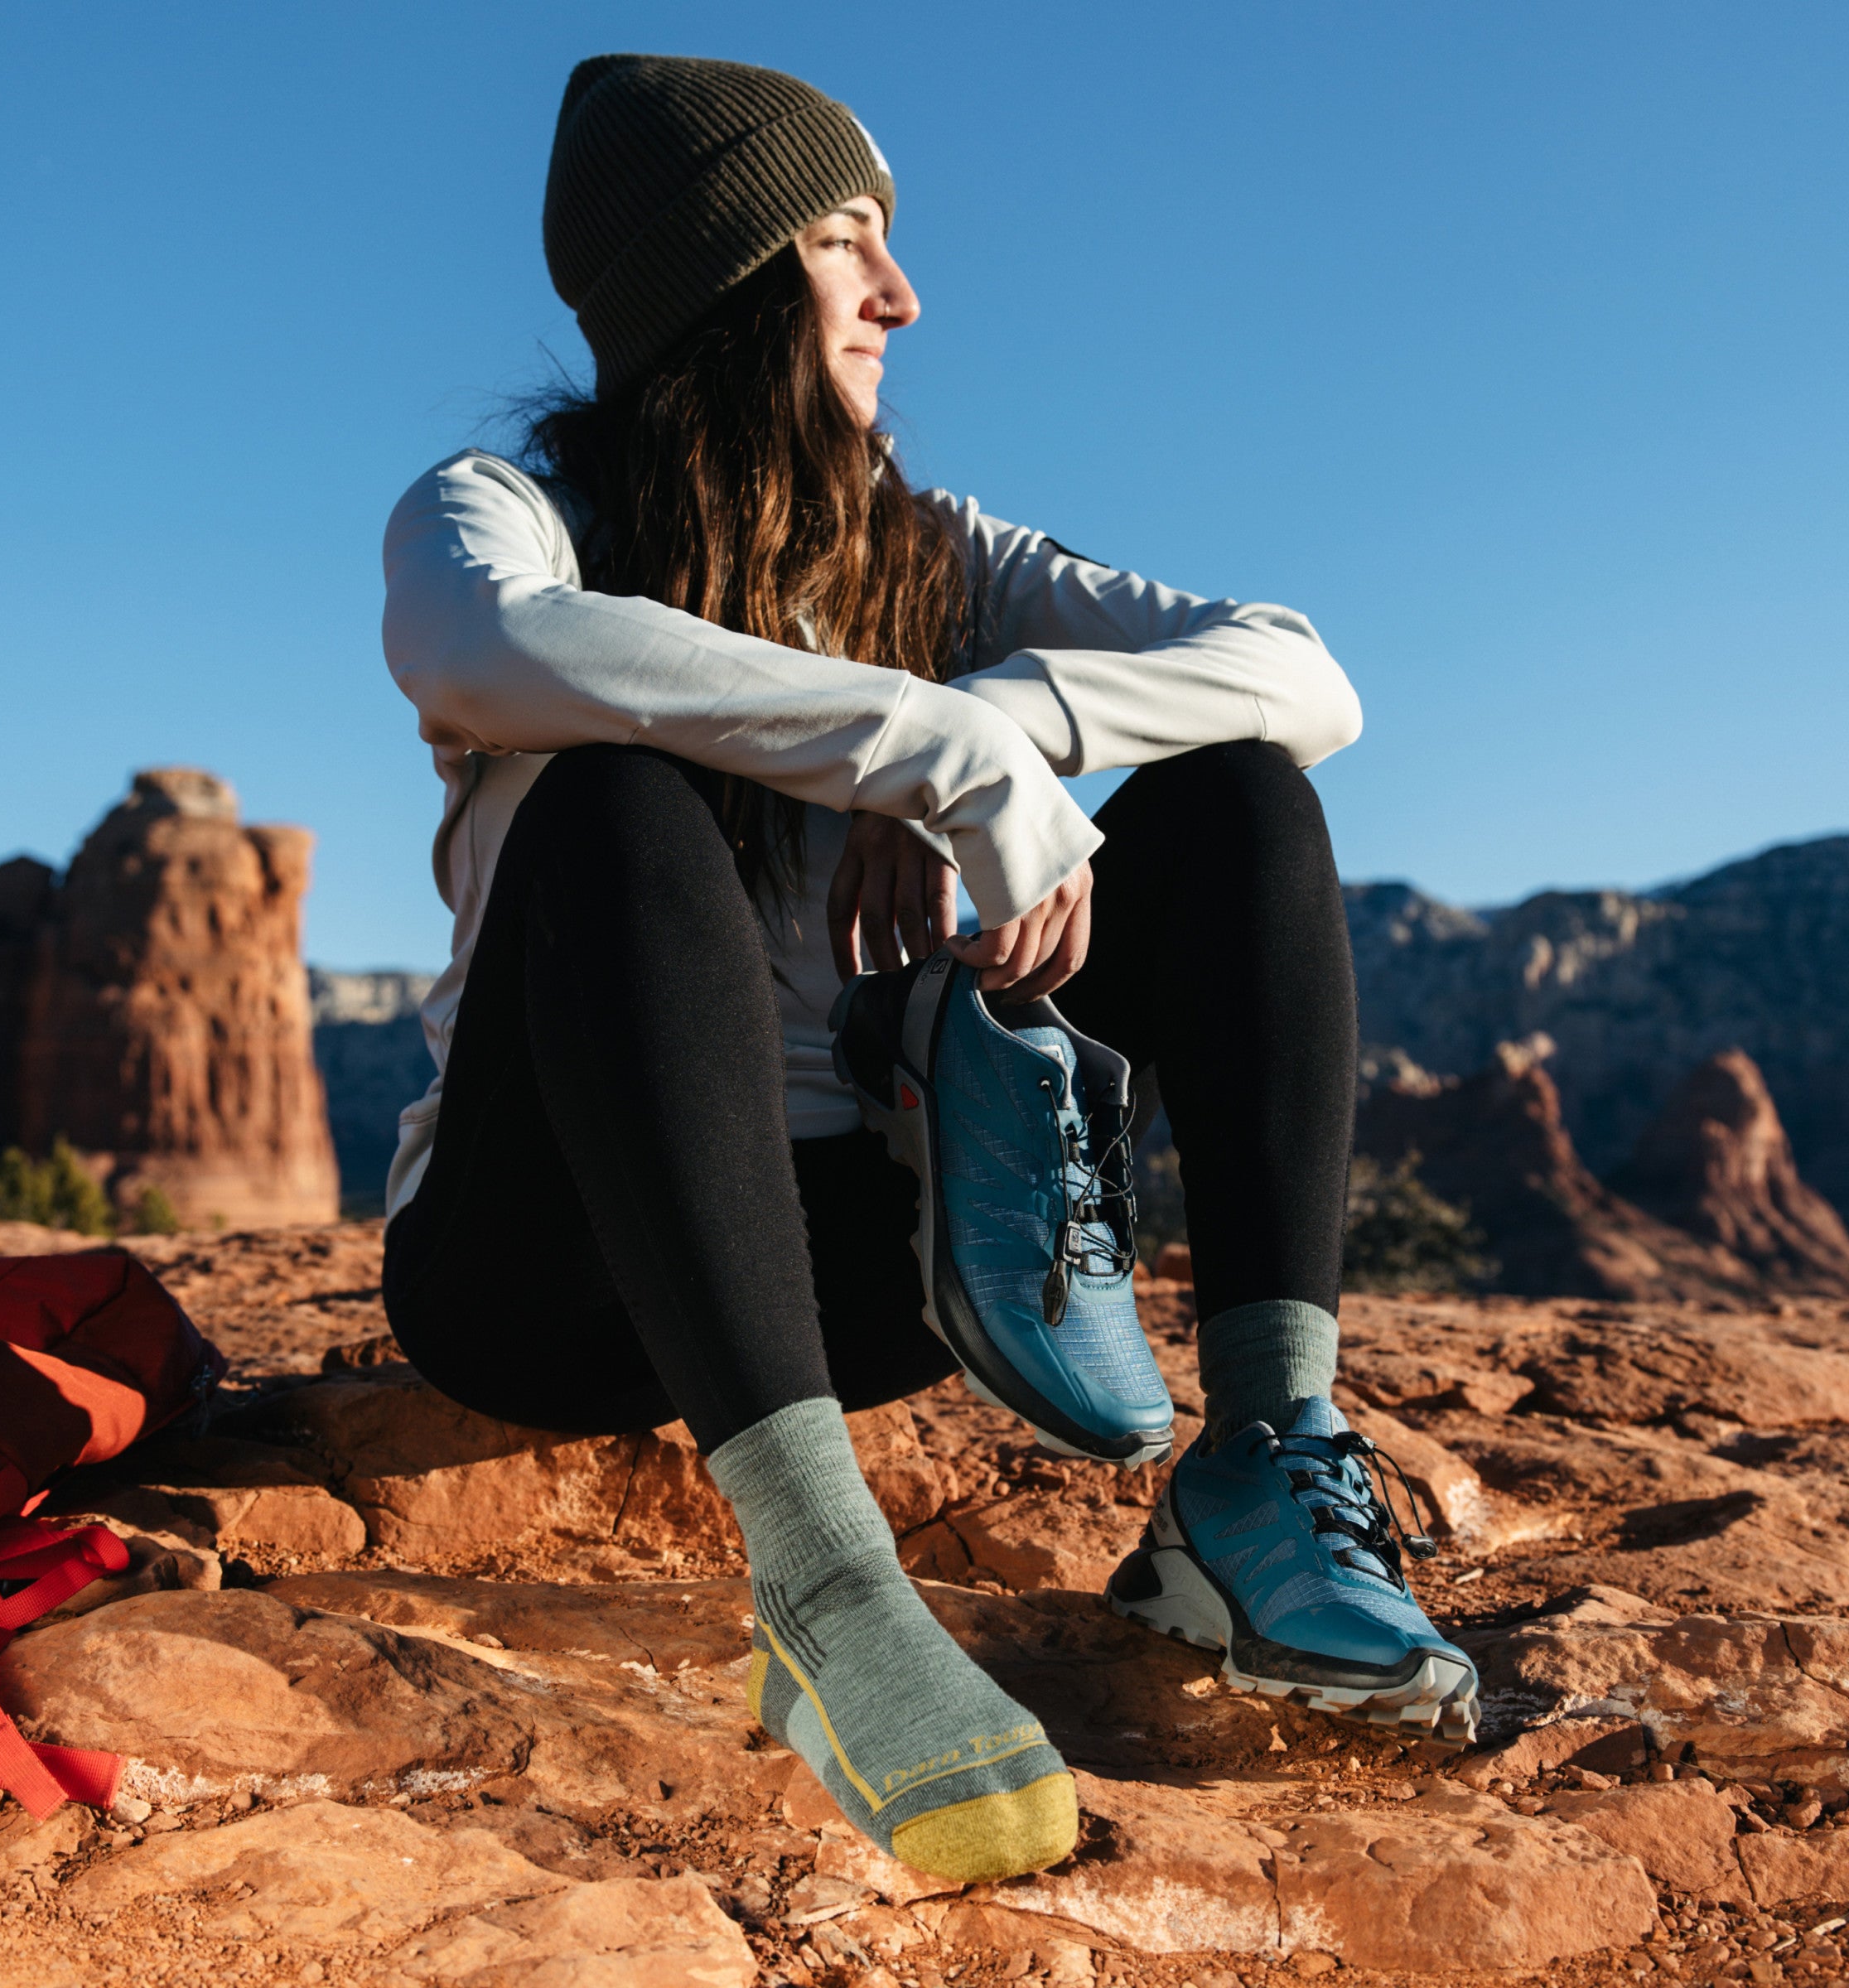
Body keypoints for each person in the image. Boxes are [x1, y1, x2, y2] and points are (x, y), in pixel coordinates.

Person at [379, 53, 1477, 1884]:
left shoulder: (932, 553)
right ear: (719, 280)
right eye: (843, 244)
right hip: (552, 1274)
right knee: (619, 811)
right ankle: (822, 1584)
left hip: (880, 1269)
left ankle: (1262, 1465)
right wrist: (931, 752)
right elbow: (483, 647)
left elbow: (1305, 673)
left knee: (1242, 805)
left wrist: (1011, 707)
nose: (901, 298)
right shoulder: (510, 510)